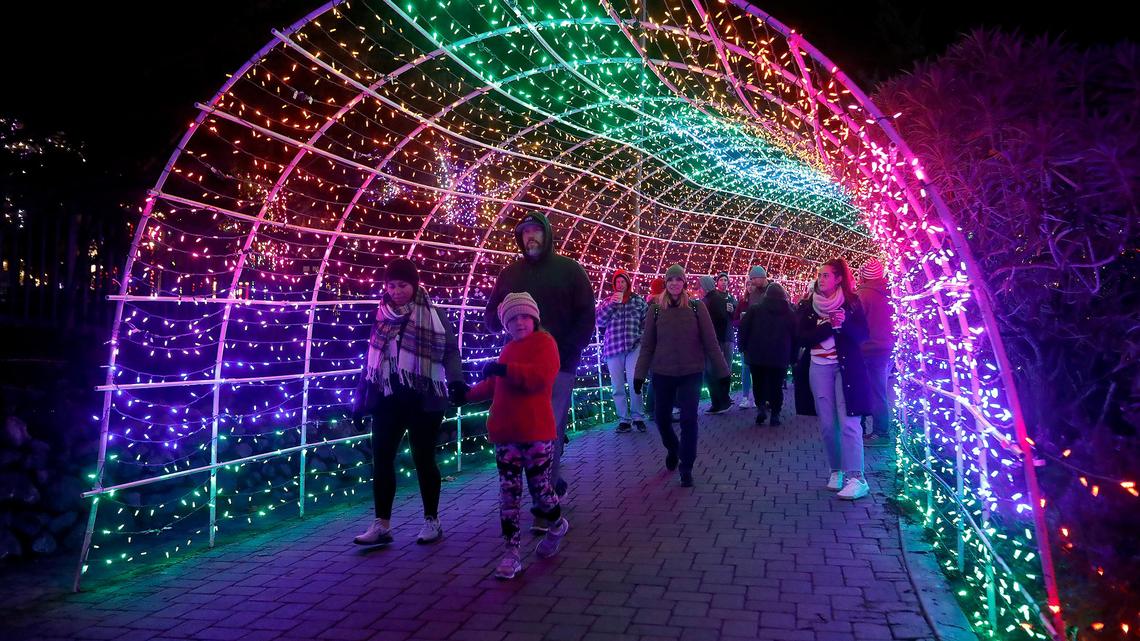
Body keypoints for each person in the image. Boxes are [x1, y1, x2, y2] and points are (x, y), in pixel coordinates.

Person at [485, 212, 594, 517]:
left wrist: (569, 348)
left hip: (559, 364)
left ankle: (543, 496)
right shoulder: (510, 274)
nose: (530, 237)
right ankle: (545, 485)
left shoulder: (570, 270)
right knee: (522, 425)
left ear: (547, 235)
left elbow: (587, 315)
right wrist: (497, 322)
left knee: (549, 427)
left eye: (536, 231)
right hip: (518, 365)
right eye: (525, 233)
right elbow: (491, 314)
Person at [352, 258, 467, 546]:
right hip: (387, 398)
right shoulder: (381, 315)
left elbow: (450, 350)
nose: (396, 291)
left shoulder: (432, 313)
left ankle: (432, 519)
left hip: (423, 398)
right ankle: (382, 524)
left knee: (423, 459)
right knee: (382, 458)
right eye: (391, 285)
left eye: (402, 285)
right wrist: (360, 398)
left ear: (414, 285)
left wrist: (455, 381)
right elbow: (371, 360)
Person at [466, 293, 568, 579]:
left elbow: (539, 377)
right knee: (508, 494)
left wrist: (503, 369)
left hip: (536, 431)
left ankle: (557, 525)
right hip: (506, 432)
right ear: (505, 324)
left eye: (524, 317)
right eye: (512, 319)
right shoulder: (509, 349)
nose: (519, 323)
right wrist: (466, 395)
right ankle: (511, 553)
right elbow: (495, 385)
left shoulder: (546, 344)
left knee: (541, 492)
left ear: (535, 319)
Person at [634, 265, 730, 487]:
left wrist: (723, 372)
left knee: (688, 420)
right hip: (662, 372)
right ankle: (673, 448)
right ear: (666, 283)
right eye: (671, 280)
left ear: (684, 283)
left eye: (678, 280)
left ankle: (686, 466)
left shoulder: (697, 308)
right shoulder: (655, 310)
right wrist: (639, 375)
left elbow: (711, 343)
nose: (675, 283)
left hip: (691, 373)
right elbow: (647, 345)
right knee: (661, 419)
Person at [794, 258, 873, 500]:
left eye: (826, 275)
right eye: (820, 274)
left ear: (839, 278)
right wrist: (829, 326)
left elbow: (862, 335)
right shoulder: (808, 305)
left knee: (849, 422)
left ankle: (856, 477)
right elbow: (802, 338)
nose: (821, 279)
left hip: (846, 368)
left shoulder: (851, 303)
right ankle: (836, 470)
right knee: (828, 425)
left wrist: (844, 324)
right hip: (819, 367)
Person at [596, 269, 650, 433]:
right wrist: (612, 304)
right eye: (617, 282)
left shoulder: (638, 301)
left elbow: (646, 322)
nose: (620, 285)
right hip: (614, 348)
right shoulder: (607, 301)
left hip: (634, 346)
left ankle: (638, 416)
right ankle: (624, 419)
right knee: (617, 385)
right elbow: (599, 321)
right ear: (614, 285)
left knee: (636, 382)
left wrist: (640, 337)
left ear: (628, 283)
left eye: (623, 281)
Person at [738, 282, 795, 426]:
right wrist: (793, 356)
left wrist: (743, 347)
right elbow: (795, 336)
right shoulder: (789, 312)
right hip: (779, 356)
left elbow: (744, 329)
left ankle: (761, 407)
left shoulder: (755, 309)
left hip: (757, 355)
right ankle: (775, 413)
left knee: (758, 383)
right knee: (776, 386)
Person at [856, 259, 894, 441]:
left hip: (865, 349)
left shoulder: (863, 295)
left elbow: (855, 322)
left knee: (860, 389)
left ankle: (860, 428)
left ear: (864, 275)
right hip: (884, 347)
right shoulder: (890, 293)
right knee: (880, 390)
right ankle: (882, 430)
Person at [736, 266, 770, 410]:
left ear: (761, 277)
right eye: (750, 280)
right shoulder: (752, 296)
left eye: (753, 279)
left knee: (767, 371)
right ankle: (760, 402)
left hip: (769, 339)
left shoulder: (772, 291)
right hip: (754, 339)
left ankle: (768, 400)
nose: (752, 282)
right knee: (755, 372)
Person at [699, 275, 733, 414]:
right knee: (715, 371)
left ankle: (719, 402)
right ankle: (721, 401)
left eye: (700, 286)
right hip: (716, 340)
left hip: (713, 341)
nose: (699, 289)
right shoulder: (715, 299)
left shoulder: (710, 300)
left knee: (711, 372)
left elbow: (720, 320)